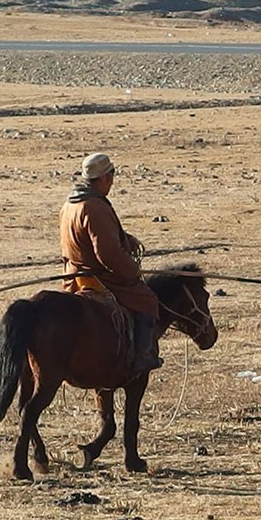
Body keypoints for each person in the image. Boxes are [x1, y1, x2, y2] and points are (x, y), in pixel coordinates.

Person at [59, 152, 163, 375]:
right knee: (147, 300)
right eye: (112, 175)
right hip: (97, 277)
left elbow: (91, 236)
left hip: (72, 276)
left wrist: (125, 238)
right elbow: (107, 254)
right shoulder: (94, 207)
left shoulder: (70, 204)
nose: (112, 181)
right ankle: (142, 357)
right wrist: (132, 272)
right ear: (105, 177)